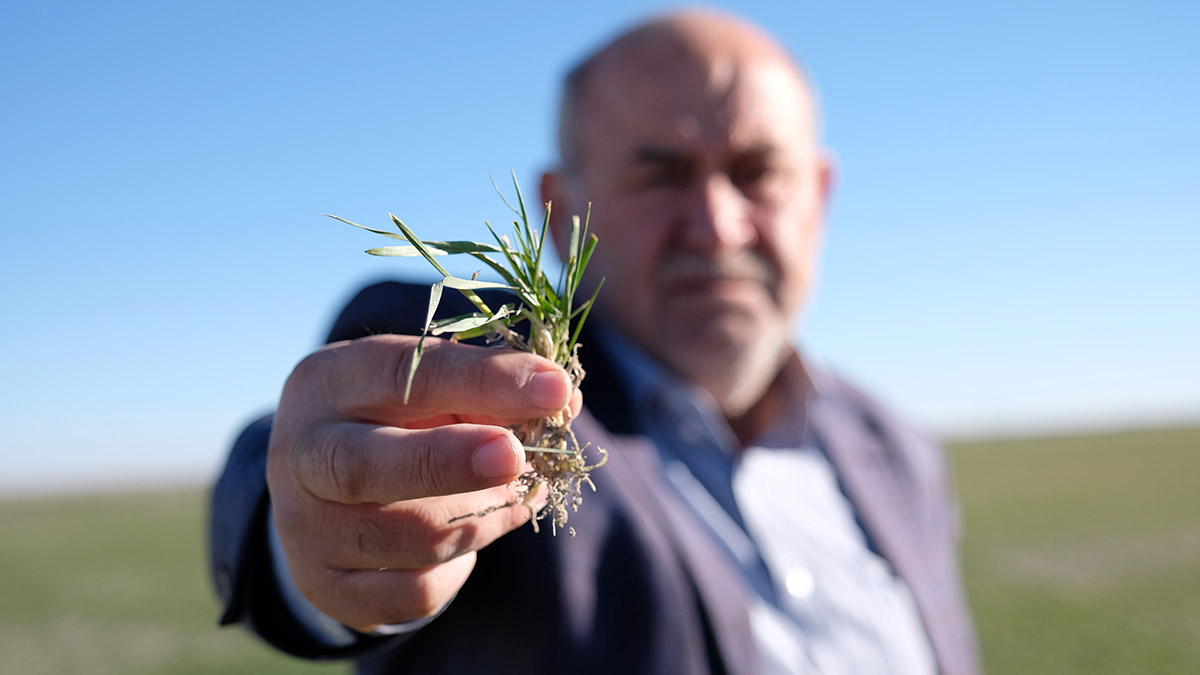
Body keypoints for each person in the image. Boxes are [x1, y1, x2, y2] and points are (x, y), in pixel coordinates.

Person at [210, 9, 980, 675]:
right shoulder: (501, 384)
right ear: (561, 209)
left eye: (756, 172)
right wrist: (310, 529)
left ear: (818, 195)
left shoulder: (898, 448)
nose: (717, 226)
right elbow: (338, 438)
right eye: (662, 174)